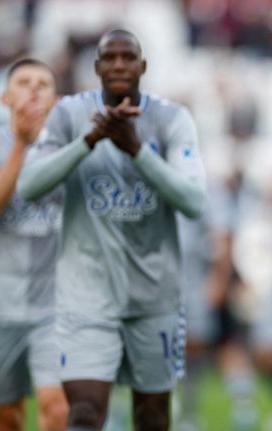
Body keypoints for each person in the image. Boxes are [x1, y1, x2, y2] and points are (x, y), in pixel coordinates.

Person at [16, 29, 206, 431]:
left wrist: (136, 150)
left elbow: (193, 202)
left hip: (154, 297)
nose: (119, 64)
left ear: (143, 66)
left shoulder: (171, 118)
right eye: (110, 57)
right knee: (84, 412)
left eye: (128, 57)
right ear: (97, 67)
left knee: (152, 417)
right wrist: (89, 140)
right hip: (86, 297)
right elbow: (28, 186)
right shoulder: (69, 115)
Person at [0, 58, 68, 431]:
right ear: (5, 97)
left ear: (56, 100)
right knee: (5, 418)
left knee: (58, 409)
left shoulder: (70, 149)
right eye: (24, 82)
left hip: (56, 309)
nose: (34, 88)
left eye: (43, 83)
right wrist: (22, 144)